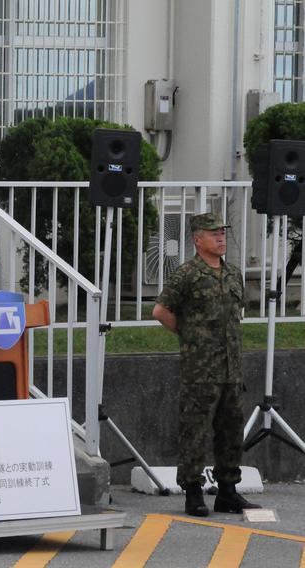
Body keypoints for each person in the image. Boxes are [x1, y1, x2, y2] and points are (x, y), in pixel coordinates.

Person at [152, 212, 260, 517]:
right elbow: (161, 311)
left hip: (231, 369)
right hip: (201, 370)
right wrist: (189, 336)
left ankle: (227, 491)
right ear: (198, 239)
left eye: (223, 233)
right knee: (195, 431)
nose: (221, 237)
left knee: (231, 431)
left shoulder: (233, 274)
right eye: (214, 234)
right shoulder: (187, 274)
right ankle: (193, 492)